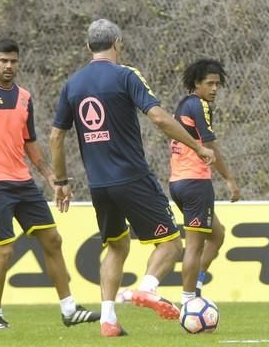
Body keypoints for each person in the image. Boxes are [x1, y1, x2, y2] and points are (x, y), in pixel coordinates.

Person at [49, 19, 215, 337]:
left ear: (88, 48)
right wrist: (196, 146)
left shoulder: (72, 84)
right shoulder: (125, 75)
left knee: (116, 247)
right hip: (132, 177)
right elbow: (157, 117)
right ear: (118, 43)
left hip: (98, 184)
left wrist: (61, 181)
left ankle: (108, 320)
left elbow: (57, 137)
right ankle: (148, 288)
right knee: (169, 244)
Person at [0, 39, 99, 330]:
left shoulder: (25, 97)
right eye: (3, 61)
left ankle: (69, 309)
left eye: (13, 61)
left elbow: (30, 144)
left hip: (22, 183)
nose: (9, 66)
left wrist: (52, 177)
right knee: (4, 251)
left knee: (53, 240)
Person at [168, 58, 240, 305]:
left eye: (217, 84)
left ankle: (195, 285)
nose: (214, 89)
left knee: (217, 235)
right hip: (195, 182)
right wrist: (229, 179)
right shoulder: (200, 105)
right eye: (209, 83)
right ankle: (189, 301)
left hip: (178, 182)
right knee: (194, 246)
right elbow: (210, 145)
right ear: (196, 84)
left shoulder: (185, 104)